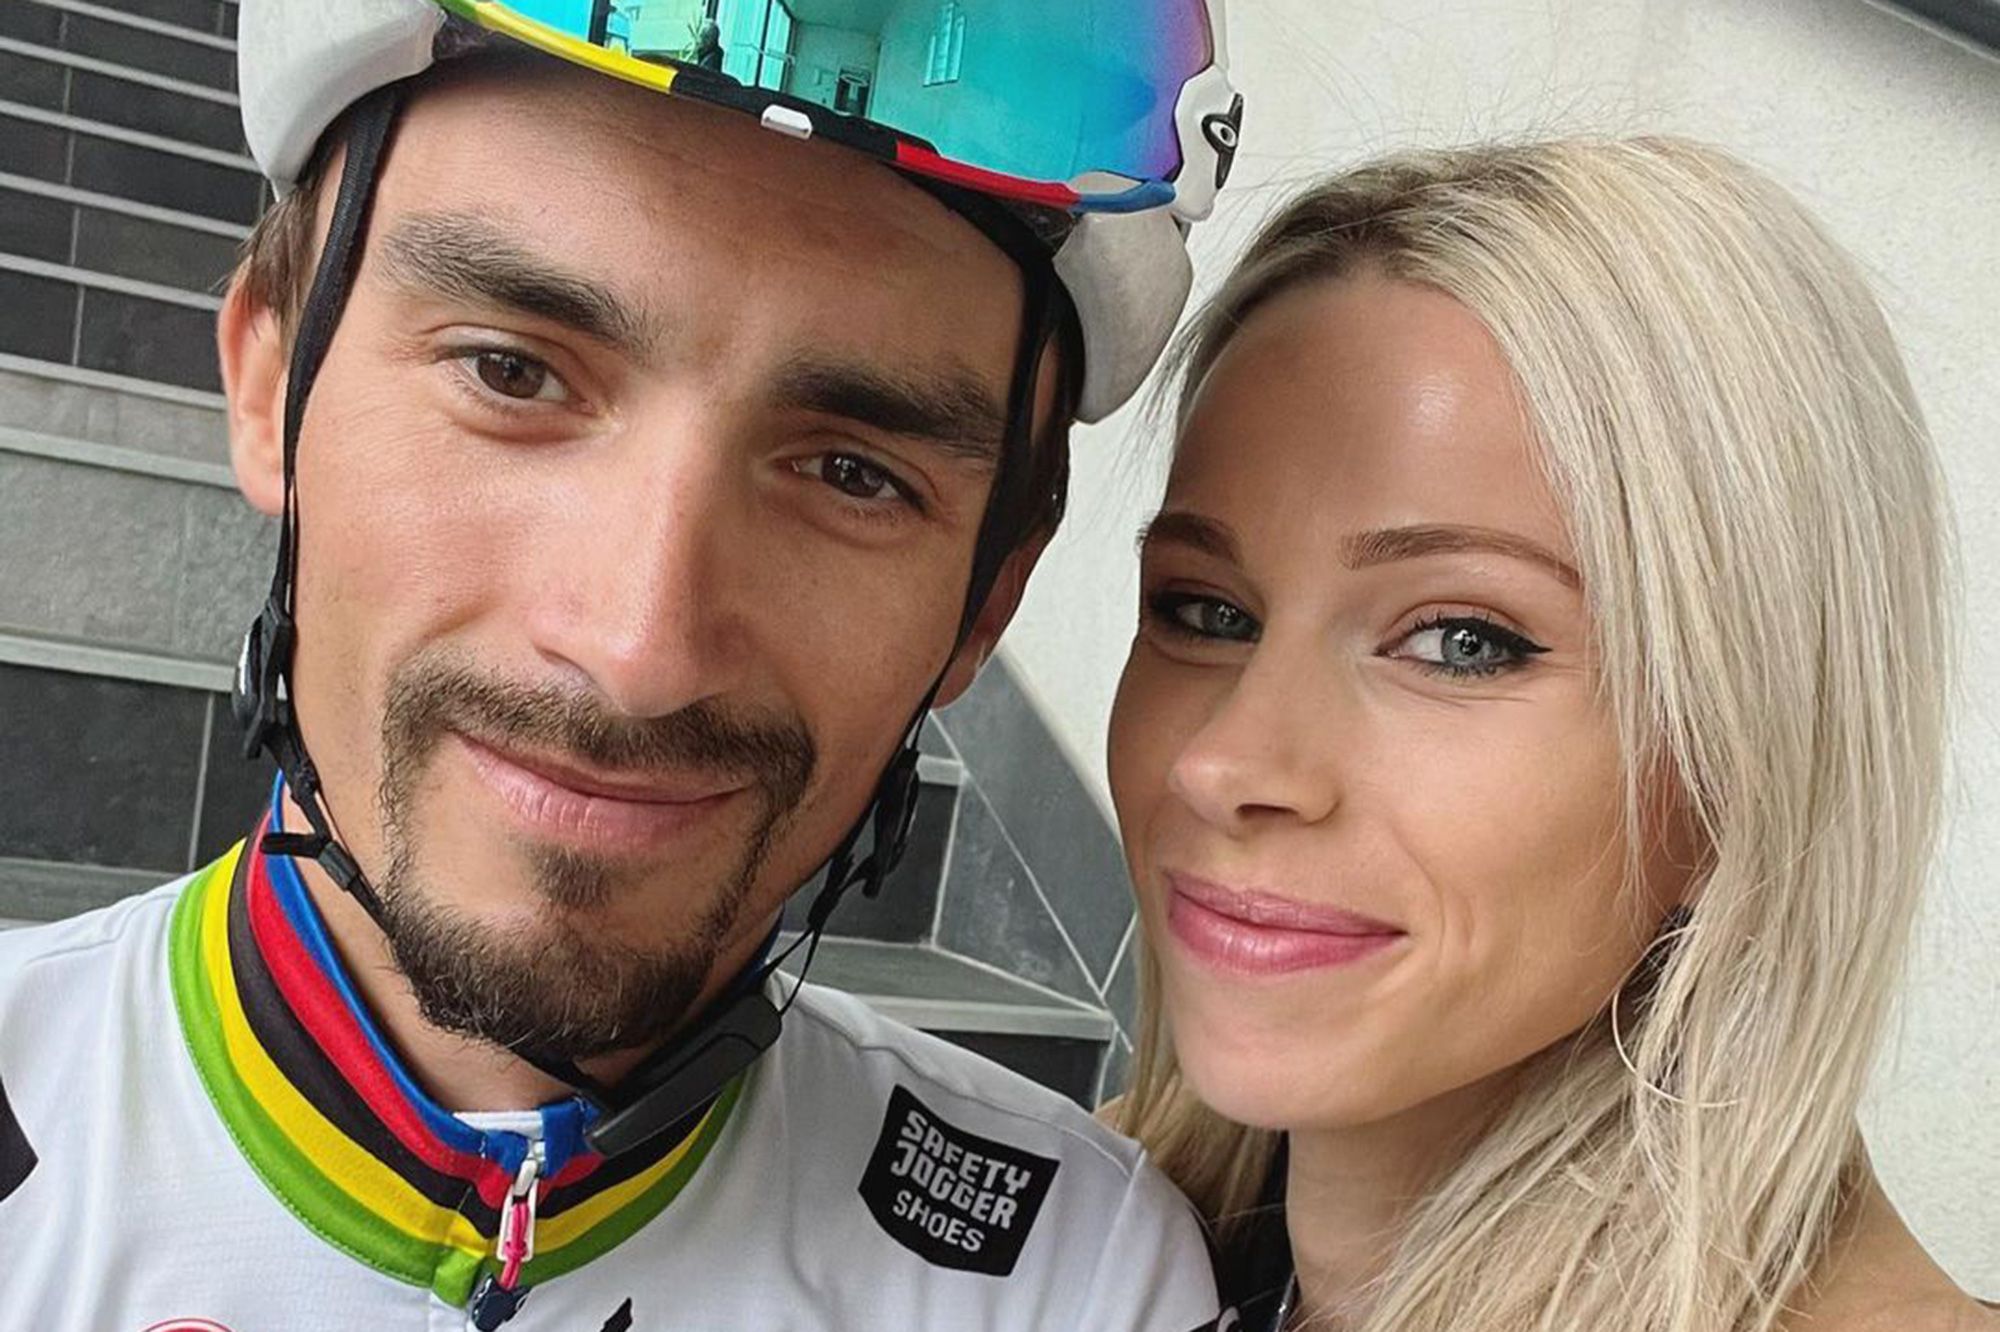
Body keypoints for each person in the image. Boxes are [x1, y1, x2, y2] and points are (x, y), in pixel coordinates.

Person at [0, 2, 1246, 1328]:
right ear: (269, 389)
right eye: (511, 373)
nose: (638, 651)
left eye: (850, 473)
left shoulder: (1080, 1283)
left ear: (987, 602)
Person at [1106, 137, 1999, 1332]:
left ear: (1739, 769)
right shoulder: (1086, 1235)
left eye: (1460, 641)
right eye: (1206, 612)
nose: (1222, 764)